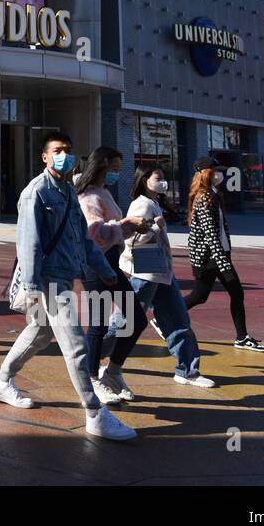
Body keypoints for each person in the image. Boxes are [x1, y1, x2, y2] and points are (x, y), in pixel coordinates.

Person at [0, 131, 136, 441]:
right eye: (57, 150)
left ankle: (1, 381)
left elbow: (83, 239)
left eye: (68, 150)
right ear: (44, 156)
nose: (63, 155)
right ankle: (95, 414)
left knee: (39, 333)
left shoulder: (67, 191)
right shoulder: (36, 192)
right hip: (48, 280)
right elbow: (28, 243)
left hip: (66, 275)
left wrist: (104, 269)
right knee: (77, 344)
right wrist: (29, 286)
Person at [102, 166, 215, 395]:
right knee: (126, 320)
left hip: (161, 269)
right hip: (146, 268)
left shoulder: (153, 202)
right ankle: (89, 356)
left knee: (177, 318)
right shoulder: (141, 204)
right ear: (145, 181)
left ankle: (187, 370)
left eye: (164, 178)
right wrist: (155, 226)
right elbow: (133, 238)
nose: (163, 182)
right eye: (158, 178)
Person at [74, 146, 147, 405]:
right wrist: (125, 225)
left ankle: (113, 372)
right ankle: (93, 378)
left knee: (136, 320)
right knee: (100, 323)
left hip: (113, 263)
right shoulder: (88, 195)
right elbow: (93, 232)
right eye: (116, 165)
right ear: (104, 163)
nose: (119, 170)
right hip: (97, 265)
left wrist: (129, 228)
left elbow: (112, 231)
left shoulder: (104, 192)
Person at [184, 156, 264, 351]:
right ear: (206, 173)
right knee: (211, 294)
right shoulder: (204, 197)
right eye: (215, 170)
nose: (220, 174)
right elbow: (210, 233)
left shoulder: (212, 194)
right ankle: (166, 317)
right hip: (210, 257)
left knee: (203, 295)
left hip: (217, 255)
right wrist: (223, 260)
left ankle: (242, 337)